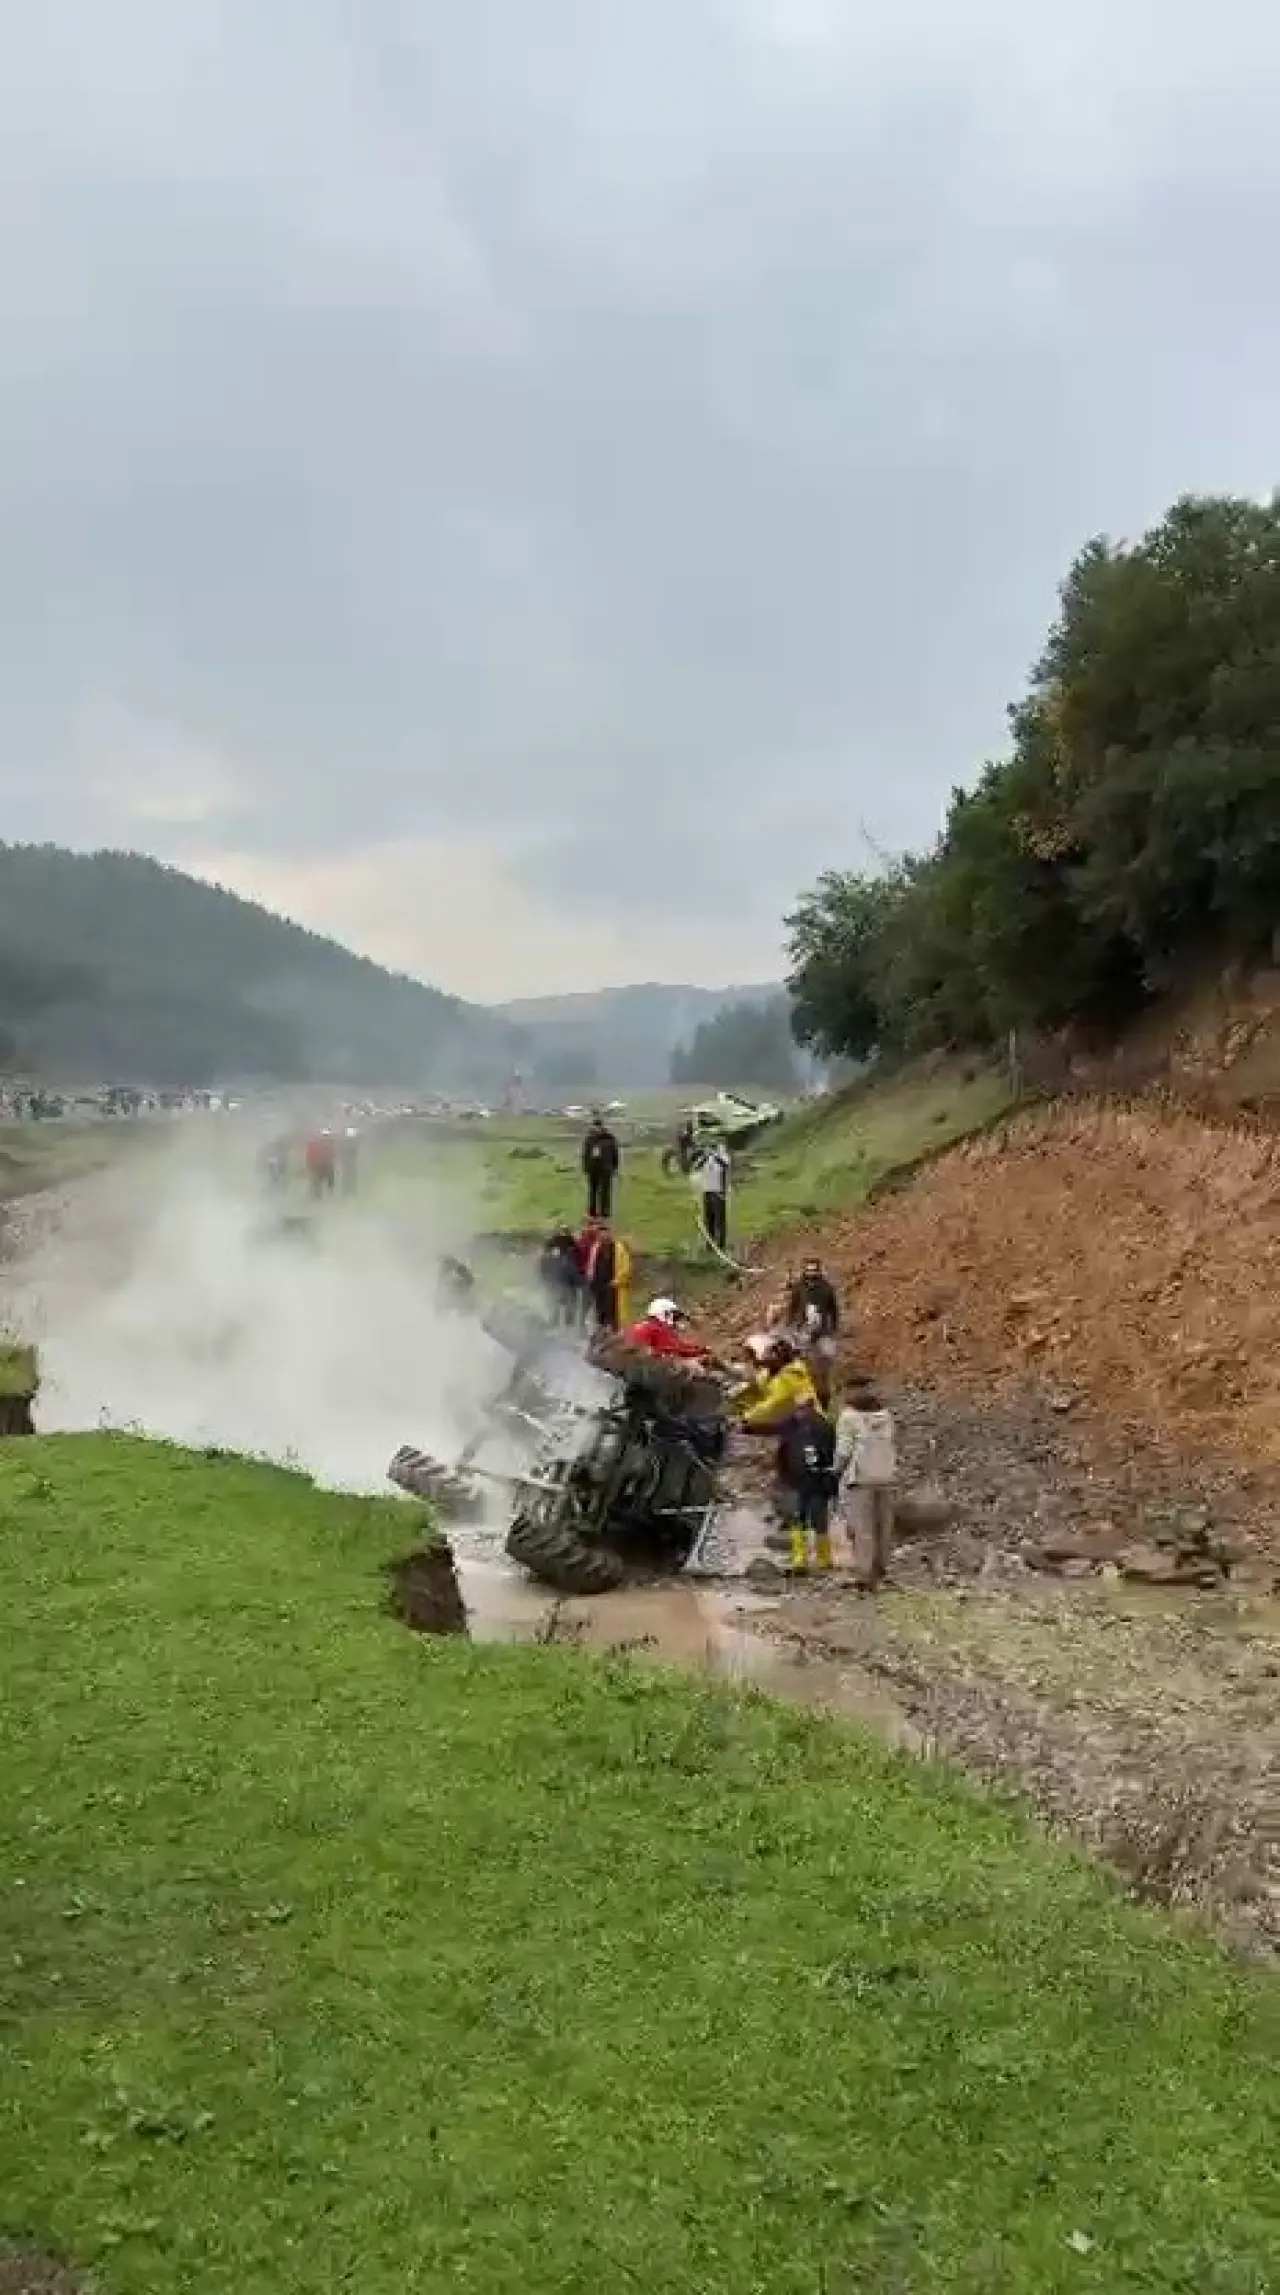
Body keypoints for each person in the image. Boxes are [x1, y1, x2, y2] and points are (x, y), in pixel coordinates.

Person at [737, 1336, 835, 1575]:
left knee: (806, 1504)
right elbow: (761, 1384)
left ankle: (814, 1557)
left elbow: (772, 1403)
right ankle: (810, 1558)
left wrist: (747, 1418)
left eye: (769, 1356)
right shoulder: (782, 1374)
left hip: (808, 1443)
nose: (764, 1360)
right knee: (805, 1505)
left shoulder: (790, 1378)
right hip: (802, 1442)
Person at [834, 1376, 897, 1589]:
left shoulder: (848, 1417)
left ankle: (865, 1574)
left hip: (859, 1478)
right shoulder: (885, 1415)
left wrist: (835, 1472)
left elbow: (844, 1451)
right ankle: (881, 1569)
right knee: (883, 1527)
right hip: (885, 1475)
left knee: (862, 1529)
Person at [786, 1256, 842, 1404]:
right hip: (803, 1330)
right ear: (804, 1271)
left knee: (826, 1360)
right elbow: (793, 1306)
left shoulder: (826, 1288)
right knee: (802, 1363)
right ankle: (804, 1391)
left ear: (819, 1271)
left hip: (823, 1331)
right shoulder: (799, 1287)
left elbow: (833, 1309)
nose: (811, 1274)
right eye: (808, 1270)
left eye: (814, 1270)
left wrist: (834, 1327)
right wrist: (791, 1325)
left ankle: (825, 1390)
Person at [578, 1218, 632, 1333]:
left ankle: (615, 1333)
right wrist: (590, 1278)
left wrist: (616, 1281)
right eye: (600, 1233)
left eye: (605, 1232)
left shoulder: (619, 1249)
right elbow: (591, 1265)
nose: (603, 1235)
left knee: (615, 1313)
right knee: (599, 1311)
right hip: (599, 1286)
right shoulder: (596, 1248)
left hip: (614, 1287)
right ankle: (601, 1331)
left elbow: (626, 1268)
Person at [626, 1296, 716, 1362]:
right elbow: (677, 1349)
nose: (674, 1320)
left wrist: (698, 1348)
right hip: (651, 1367)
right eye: (673, 1316)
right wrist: (701, 1351)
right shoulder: (658, 1328)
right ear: (664, 1313)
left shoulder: (645, 1326)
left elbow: (678, 1345)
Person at [538, 1226, 587, 1328]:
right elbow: (545, 1265)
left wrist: (578, 1281)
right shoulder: (553, 1252)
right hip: (557, 1281)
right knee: (557, 1300)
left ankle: (565, 1323)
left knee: (566, 1301)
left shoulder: (570, 1252)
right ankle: (557, 1321)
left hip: (565, 1281)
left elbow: (575, 1267)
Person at [582, 1111, 621, 1221]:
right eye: (595, 1126)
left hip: (605, 1168)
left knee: (605, 1191)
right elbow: (585, 1154)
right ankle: (593, 1212)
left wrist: (615, 1167)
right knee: (593, 1191)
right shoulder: (590, 1138)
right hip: (593, 1168)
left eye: (598, 1126)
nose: (596, 1129)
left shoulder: (609, 1139)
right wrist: (586, 1167)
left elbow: (615, 1153)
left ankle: (604, 1212)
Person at [697, 1138, 731, 1254]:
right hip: (707, 1191)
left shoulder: (723, 1155)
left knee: (719, 1221)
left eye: (713, 1145)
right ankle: (709, 1246)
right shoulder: (706, 1158)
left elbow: (725, 1164)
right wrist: (706, 1155)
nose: (711, 1147)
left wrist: (715, 1154)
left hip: (718, 1193)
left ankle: (721, 1246)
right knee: (709, 1220)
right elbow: (697, 1166)